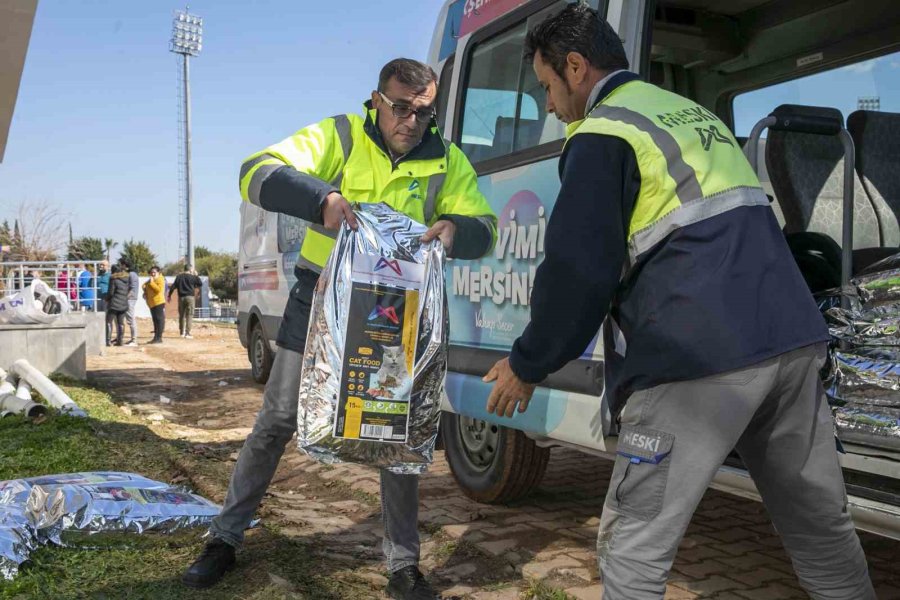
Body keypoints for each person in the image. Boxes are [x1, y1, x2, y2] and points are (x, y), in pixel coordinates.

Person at [482, 5, 874, 600]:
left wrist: (527, 362)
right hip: (792, 342)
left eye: (546, 88)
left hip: (696, 357)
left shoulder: (604, 131)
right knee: (822, 528)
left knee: (633, 547)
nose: (550, 108)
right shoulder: (691, 115)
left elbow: (577, 272)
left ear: (577, 67)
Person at [182, 58, 497, 599]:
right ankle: (224, 539)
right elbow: (255, 170)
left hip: (395, 312)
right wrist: (321, 198)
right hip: (321, 298)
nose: (412, 121)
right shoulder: (342, 137)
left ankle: (403, 568)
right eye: (401, 108)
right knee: (278, 418)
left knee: (393, 432)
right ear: (377, 100)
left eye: (424, 111)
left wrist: (456, 229)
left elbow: (485, 229)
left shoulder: (448, 160)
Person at [168, 264, 202, 338]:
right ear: (190, 269)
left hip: (181, 298)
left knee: (182, 315)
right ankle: (188, 333)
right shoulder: (193, 277)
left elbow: (173, 287)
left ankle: (182, 332)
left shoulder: (179, 277)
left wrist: (169, 296)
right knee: (189, 315)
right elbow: (200, 283)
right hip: (190, 297)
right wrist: (196, 275)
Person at [105, 265, 130, 346]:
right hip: (123, 304)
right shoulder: (126, 279)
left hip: (114, 304)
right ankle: (120, 341)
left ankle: (108, 341)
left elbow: (111, 292)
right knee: (121, 323)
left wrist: (107, 298)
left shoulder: (113, 279)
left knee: (108, 322)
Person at [142, 265, 166, 344]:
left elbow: (158, 290)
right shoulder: (151, 280)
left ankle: (159, 338)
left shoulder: (160, 279)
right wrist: (145, 292)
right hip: (152, 303)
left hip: (158, 302)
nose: (152, 274)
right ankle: (155, 337)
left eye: (154, 272)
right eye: (151, 272)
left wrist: (151, 282)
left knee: (159, 320)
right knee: (155, 320)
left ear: (158, 273)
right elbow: (144, 285)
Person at [118, 259, 139, 346]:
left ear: (125, 265)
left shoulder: (132, 274)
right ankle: (132, 339)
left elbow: (132, 288)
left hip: (130, 299)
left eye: (121, 265)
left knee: (131, 319)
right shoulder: (131, 274)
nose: (120, 267)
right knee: (129, 319)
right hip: (129, 298)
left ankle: (134, 340)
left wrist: (125, 297)